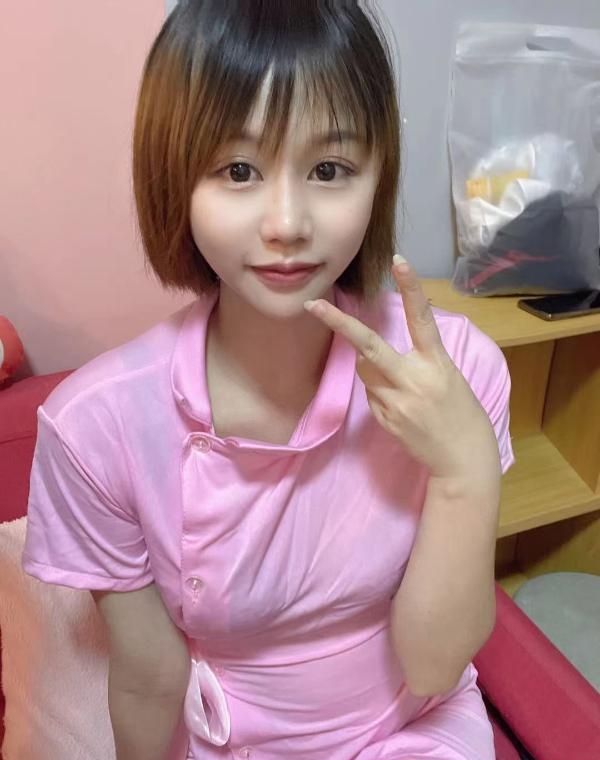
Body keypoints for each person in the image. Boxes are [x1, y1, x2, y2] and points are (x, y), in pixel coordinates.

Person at [22, 1, 515, 759]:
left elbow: (433, 666)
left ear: (378, 175)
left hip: (414, 730)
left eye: (329, 170)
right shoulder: (97, 427)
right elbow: (150, 676)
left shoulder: (458, 369)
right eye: (239, 170)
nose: (287, 223)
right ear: (174, 177)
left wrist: (464, 471)